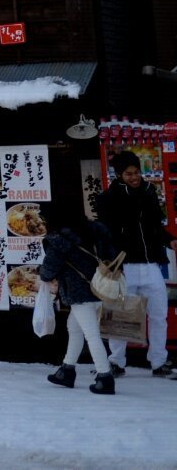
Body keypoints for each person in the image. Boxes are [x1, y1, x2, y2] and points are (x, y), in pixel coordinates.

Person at [95, 151, 173, 378]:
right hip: (124, 267)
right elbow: (104, 234)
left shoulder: (150, 191)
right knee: (119, 315)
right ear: (119, 175)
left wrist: (171, 240)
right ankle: (116, 362)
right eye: (129, 174)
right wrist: (109, 262)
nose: (135, 177)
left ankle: (159, 362)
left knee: (159, 315)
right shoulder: (108, 198)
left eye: (137, 172)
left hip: (150, 265)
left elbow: (156, 227)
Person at [38, 202, 117, 394]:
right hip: (102, 288)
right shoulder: (97, 230)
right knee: (74, 329)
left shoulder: (58, 239)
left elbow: (48, 271)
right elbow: (111, 256)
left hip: (78, 293)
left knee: (91, 334)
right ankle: (67, 370)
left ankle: (105, 377)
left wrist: (42, 273)